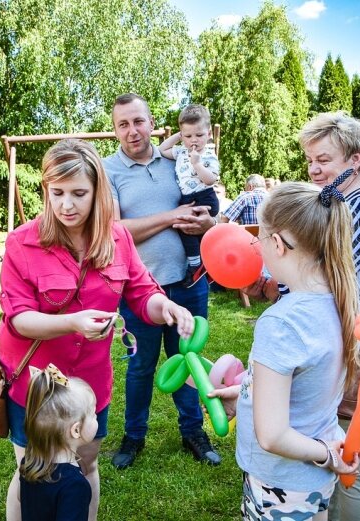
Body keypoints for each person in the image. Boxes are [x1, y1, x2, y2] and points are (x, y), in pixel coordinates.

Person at [0, 138, 195, 521]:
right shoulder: (22, 242)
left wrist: (166, 306)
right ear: (45, 190)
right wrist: (71, 323)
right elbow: (18, 319)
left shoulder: (117, 236)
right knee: (31, 473)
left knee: (86, 465)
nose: (66, 205)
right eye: (56, 193)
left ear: (97, 191)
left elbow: (142, 293)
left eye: (78, 193)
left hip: (89, 386)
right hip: (35, 387)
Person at [242, 112, 360, 521]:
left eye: (323, 159)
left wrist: (278, 282)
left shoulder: (359, 206)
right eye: (310, 159)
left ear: (356, 159)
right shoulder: (339, 202)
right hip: (335, 340)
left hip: (347, 348)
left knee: (353, 461)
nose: (315, 169)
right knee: (332, 444)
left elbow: (326, 274)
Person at [211, 182, 360, 519]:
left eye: (259, 240)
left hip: (280, 483)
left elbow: (272, 435)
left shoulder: (280, 322)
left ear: (277, 244)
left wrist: (328, 456)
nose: (258, 249)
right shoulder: (340, 303)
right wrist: (247, 391)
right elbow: (306, 387)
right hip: (313, 482)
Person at [103, 93, 220, 471]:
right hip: (139, 293)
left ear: (152, 123)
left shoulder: (179, 157)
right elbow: (114, 230)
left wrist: (208, 223)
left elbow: (206, 204)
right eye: (123, 124)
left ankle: (193, 431)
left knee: (188, 359)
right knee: (140, 367)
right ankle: (134, 436)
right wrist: (172, 216)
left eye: (138, 121)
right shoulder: (108, 171)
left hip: (189, 282)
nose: (132, 131)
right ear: (115, 129)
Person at [19, 364, 98, 521]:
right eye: (93, 414)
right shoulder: (75, 486)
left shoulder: (29, 464)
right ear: (76, 430)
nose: (96, 417)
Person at [159, 104, 220, 285]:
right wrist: (179, 136)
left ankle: (196, 265)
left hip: (204, 196)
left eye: (199, 135)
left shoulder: (208, 154)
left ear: (208, 134)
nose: (194, 140)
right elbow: (162, 149)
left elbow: (210, 180)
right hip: (189, 199)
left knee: (187, 230)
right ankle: (203, 266)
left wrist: (197, 164)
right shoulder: (181, 152)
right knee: (188, 231)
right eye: (188, 136)